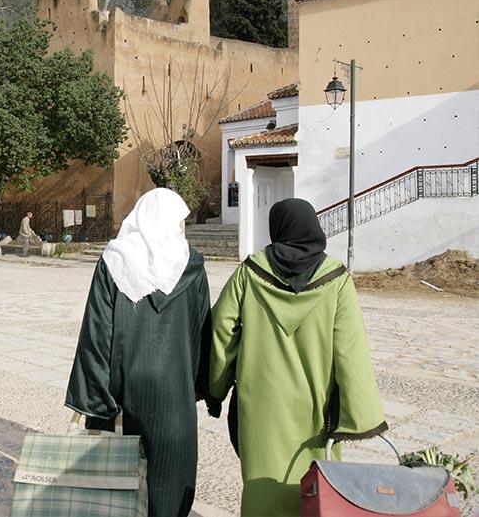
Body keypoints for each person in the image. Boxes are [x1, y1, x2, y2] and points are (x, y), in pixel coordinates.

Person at [209, 198, 386, 516]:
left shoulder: (250, 273)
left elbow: (222, 332)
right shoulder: (337, 280)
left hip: (261, 405)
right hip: (315, 408)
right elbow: (351, 350)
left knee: (263, 488)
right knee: (318, 490)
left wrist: (215, 387)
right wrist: (358, 414)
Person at [65, 188, 214, 517]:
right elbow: (203, 330)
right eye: (180, 223)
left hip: (123, 392)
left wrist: (97, 403)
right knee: (171, 482)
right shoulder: (192, 265)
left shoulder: (114, 261)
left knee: (119, 483)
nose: (182, 230)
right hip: (176, 393)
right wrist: (204, 387)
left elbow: (97, 331)